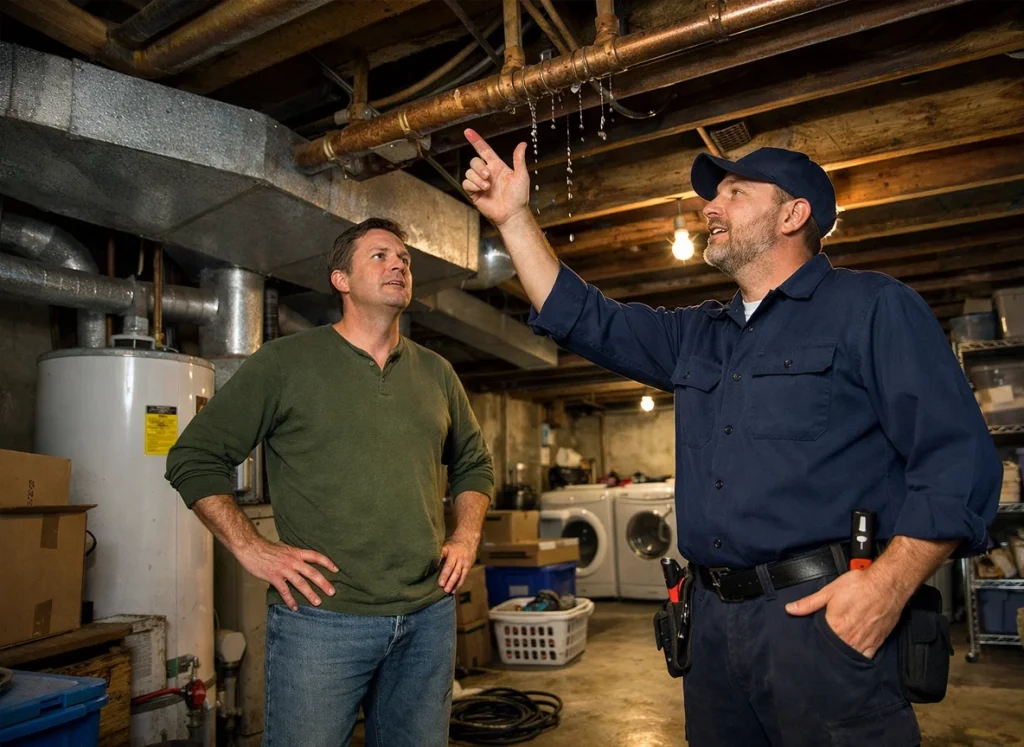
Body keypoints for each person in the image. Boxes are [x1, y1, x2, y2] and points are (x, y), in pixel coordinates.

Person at [460, 129, 1000, 746]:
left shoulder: (873, 307)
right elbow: (585, 317)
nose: (711, 207)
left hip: (819, 618)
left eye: (736, 193)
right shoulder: (699, 334)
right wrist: (515, 217)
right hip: (712, 625)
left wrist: (888, 585)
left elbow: (958, 460)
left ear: (794, 214)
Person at [165, 217, 494, 747]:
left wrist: (466, 533)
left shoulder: (437, 374)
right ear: (340, 279)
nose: (399, 265)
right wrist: (253, 549)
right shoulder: (285, 363)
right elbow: (193, 457)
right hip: (323, 620)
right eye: (380, 256)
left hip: (427, 616)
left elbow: (474, 463)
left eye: (404, 259)